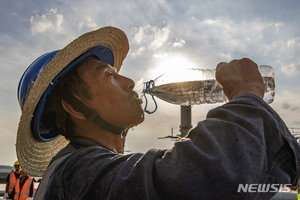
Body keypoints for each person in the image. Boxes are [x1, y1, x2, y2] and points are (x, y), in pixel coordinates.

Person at [16, 26, 300, 200]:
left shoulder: (81, 171)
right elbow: (210, 177)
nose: (128, 82)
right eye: (108, 76)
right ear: (73, 106)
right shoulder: (78, 175)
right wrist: (247, 94)